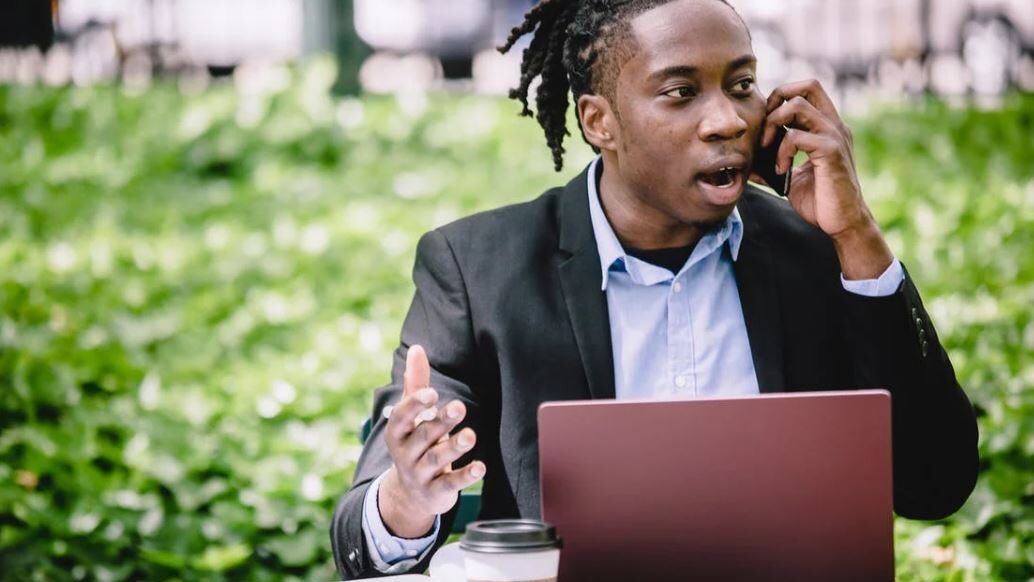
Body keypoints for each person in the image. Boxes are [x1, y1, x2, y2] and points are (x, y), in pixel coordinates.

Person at [330, 0, 980, 577]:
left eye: (742, 84)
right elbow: (362, 541)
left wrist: (859, 235)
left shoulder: (815, 253)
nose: (726, 119)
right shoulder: (480, 269)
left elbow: (936, 484)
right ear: (599, 122)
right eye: (681, 92)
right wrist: (409, 498)